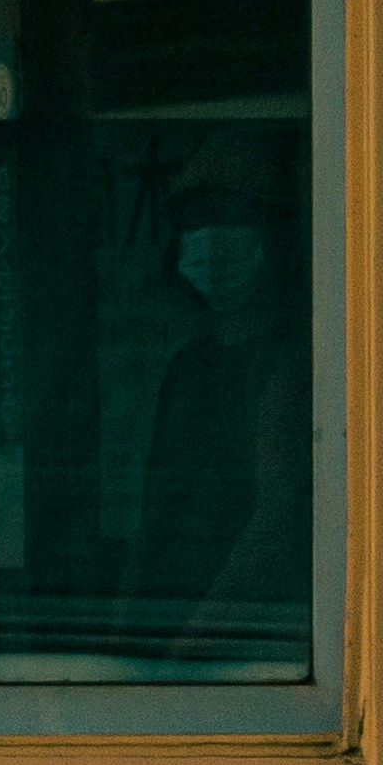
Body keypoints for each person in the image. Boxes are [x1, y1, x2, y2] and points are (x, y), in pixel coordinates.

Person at [131, 124, 312, 652]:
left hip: (250, 651)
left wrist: (191, 642)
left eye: (232, 216)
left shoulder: (287, 366)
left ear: (274, 234)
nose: (210, 238)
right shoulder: (187, 368)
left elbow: (272, 534)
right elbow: (154, 515)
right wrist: (127, 631)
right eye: (197, 219)